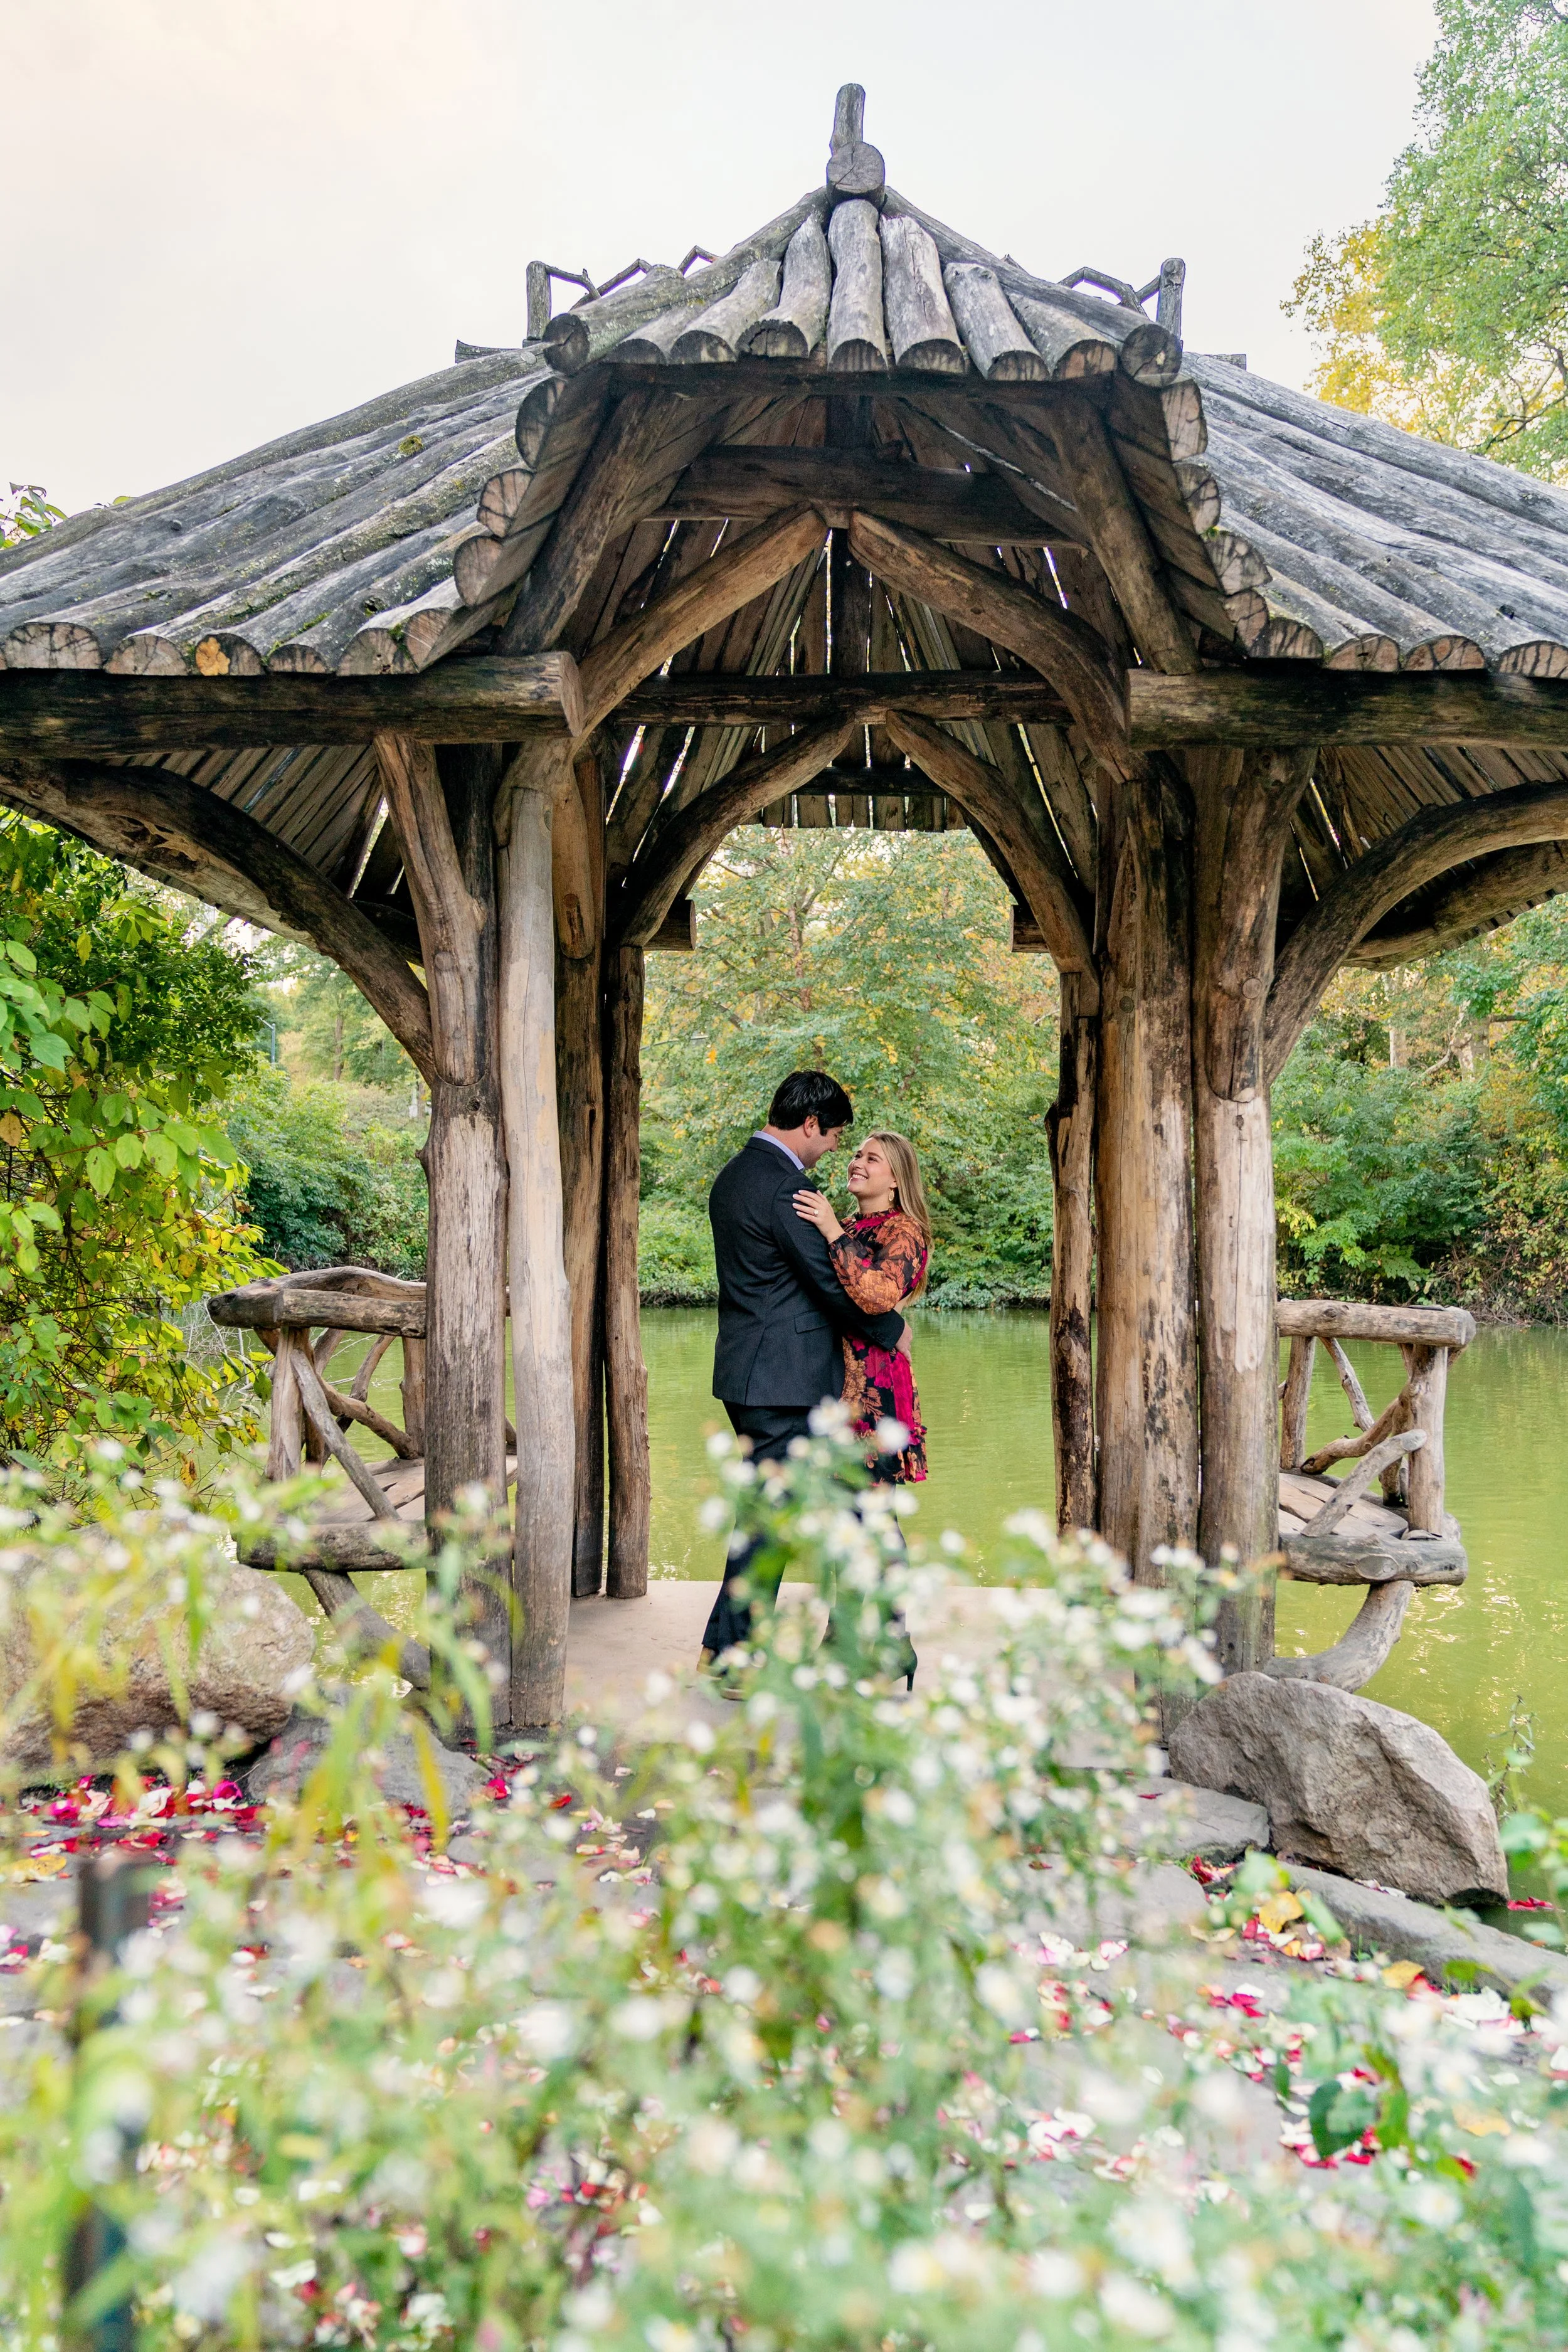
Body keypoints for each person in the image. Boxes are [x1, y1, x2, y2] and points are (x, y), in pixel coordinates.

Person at [701, 1071, 906, 1668]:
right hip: (784, 1380)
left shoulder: (734, 1176)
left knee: (768, 1514)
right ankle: (732, 1657)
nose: (836, 1148)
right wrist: (894, 1331)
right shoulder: (785, 1187)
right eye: (836, 1134)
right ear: (810, 1124)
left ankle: (729, 1648)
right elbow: (829, 1281)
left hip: (750, 1372)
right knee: (770, 1524)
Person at [792, 1128, 931, 1485]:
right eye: (857, 1155)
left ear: (896, 1179)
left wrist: (832, 1232)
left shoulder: (905, 1231)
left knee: (872, 1510)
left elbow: (878, 1296)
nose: (857, 1163)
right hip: (831, 1376)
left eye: (872, 1159)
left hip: (875, 1380)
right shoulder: (848, 1225)